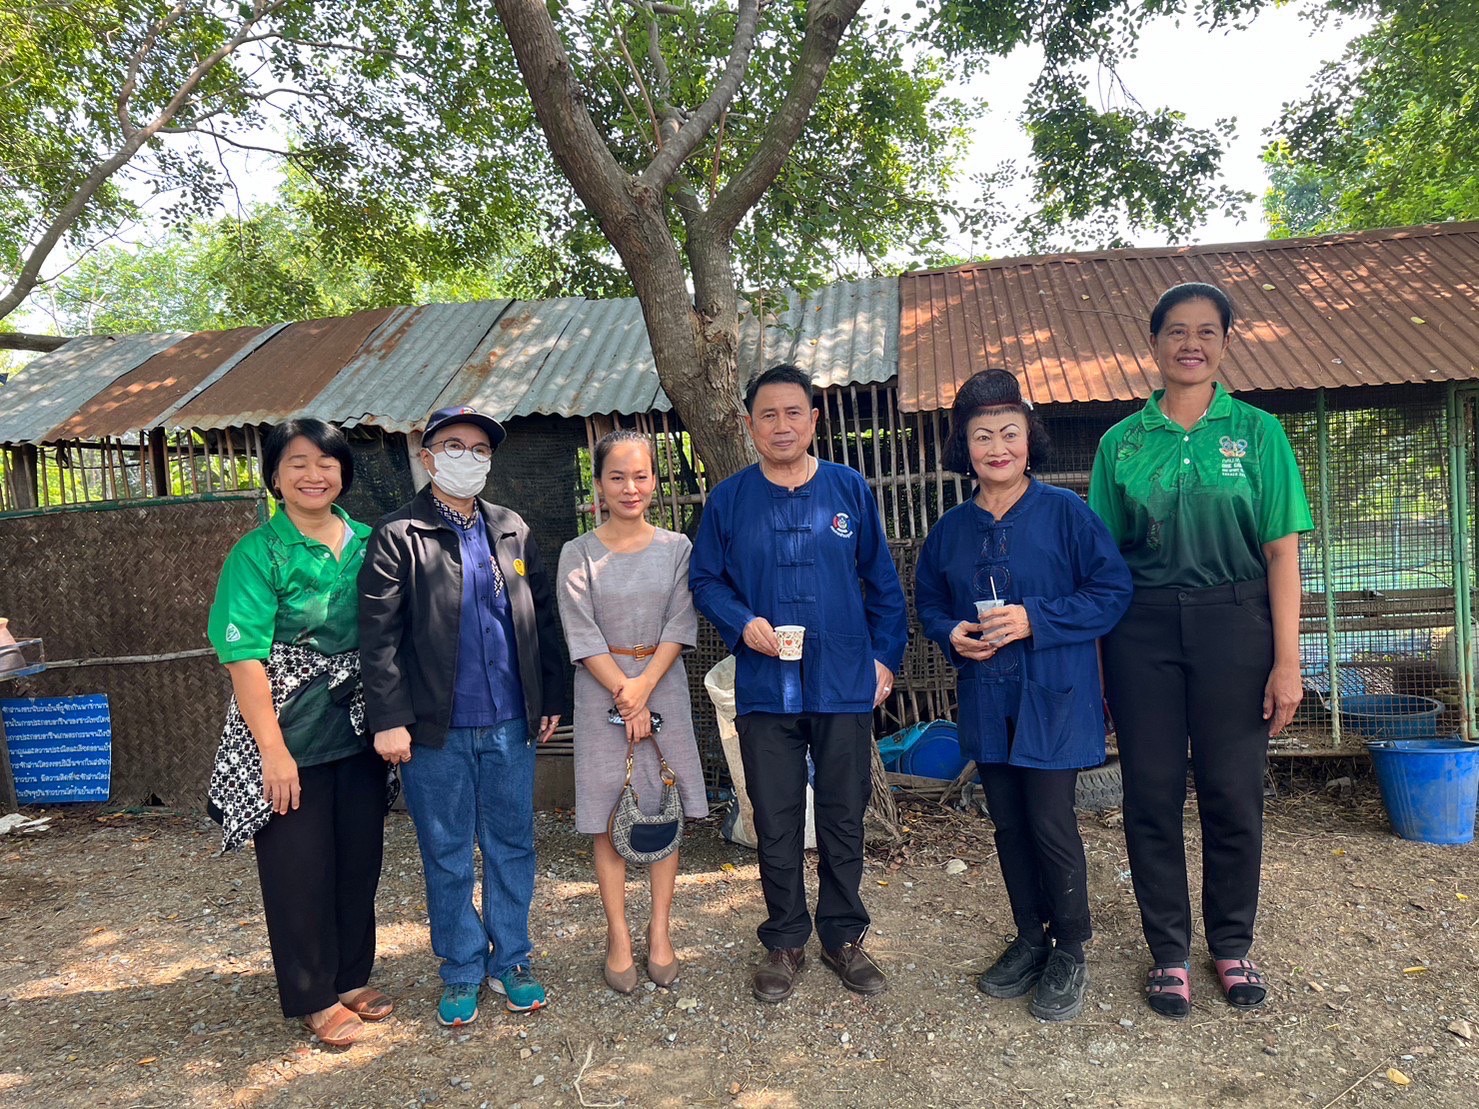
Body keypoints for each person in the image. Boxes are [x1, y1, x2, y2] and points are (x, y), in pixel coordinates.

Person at [1088, 282, 1313, 1019]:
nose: (1190, 342)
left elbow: (1281, 553)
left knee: (1230, 790)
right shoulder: (1120, 443)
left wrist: (1287, 661)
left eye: (1206, 331)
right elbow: (1101, 563)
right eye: (1175, 331)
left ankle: (1231, 943)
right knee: (1149, 792)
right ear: (1152, 345)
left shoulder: (1256, 434)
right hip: (1140, 629)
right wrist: (1095, 661)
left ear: (1223, 343)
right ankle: (1169, 952)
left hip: (1235, 623)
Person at [914, 370, 1132, 1022]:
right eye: (982, 435)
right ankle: (1028, 935)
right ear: (965, 447)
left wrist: (1037, 617)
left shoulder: (1066, 513)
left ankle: (1069, 945)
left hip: (1053, 694)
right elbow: (927, 600)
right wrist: (950, 630)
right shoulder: (951, 529)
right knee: (1006, 821)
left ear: (1028, 439)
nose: (996, 446)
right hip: (987, 691)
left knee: (1048, 820)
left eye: (1008, 432)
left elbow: (1111, 591)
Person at [690, 363, 908, 1003]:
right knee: (776, 817)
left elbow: (885, 588)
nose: (782, 425)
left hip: (842, 682)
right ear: (750, 425)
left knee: (843, 815)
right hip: (765, 686)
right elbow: (705, 580)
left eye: (794, 413)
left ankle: (842, 936)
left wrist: (885, 660)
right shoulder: (730, 499)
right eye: (768, 415)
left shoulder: (848, 490)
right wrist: (741, 621)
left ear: (814, 420)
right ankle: (784, 938)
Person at [358, 405, 566, 1027]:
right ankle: (461, 968)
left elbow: (541, 619)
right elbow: (378, 638)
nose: (467, 458)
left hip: (511, 721)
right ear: (426, 456)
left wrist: (548, 697)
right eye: (454, 445)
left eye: (480, 449)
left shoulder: (511, 528)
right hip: (434, 730)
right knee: (447, 850)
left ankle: (513, 961)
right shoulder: (399, 535)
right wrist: (388, 719)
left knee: (512, 844)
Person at [207, 417, 391, 1048]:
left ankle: (349, 976)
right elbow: (244, 658)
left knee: (359, 858)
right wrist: (273, 752)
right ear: (275, 476)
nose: (315, 475)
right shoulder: (259, 553)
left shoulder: (372, 542)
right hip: (287, 728)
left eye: (327, 463)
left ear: (343, 472)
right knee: (298, 867)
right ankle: (312, 995)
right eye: (298, 463)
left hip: (361, 724)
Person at [555, 430, 709, 994]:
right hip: (601, 693)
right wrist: (625, 692)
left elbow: (680, 622)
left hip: (662, 682)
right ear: (598, 484)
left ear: (654, 481)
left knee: (660, 805)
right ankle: (618, 935)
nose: (630, 487)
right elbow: (580, 629)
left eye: (641, 475)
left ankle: (661, 931)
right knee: (607, 812)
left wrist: (643, 688)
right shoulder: (579, 552)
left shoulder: (677, 549)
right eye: (616, 477)